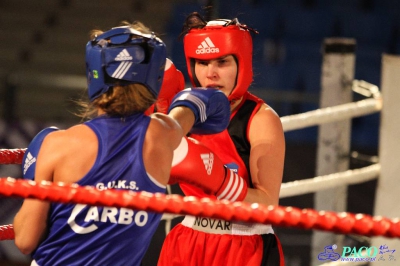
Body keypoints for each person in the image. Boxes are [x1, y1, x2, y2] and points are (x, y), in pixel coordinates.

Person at [13, 21, 238, 266]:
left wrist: (32, 181)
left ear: (94, 75)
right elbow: (193, 107)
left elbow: (25, 240)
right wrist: (196, 103)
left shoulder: (56, 146)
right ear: (153, 78)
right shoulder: (163, 135)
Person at [158, 12, 286, 266]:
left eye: (222, 62)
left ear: (242, 64)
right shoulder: (184, 111)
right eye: (202, 63)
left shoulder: (260, 118)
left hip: (243, 244)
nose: (211, 74)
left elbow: (267, 204)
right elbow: (155, 172)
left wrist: (221, 180)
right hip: (187, 240)